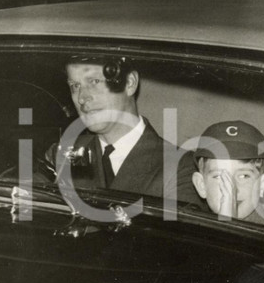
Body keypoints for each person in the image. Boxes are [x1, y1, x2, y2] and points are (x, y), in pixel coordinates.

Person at [51, 55, 198, 205]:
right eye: (75, 86)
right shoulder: (60, 154)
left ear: (129, 83)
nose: (82, 98)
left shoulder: (180, 167)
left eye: (94, 81)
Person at [191, 120, 264, 222]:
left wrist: (228, 223)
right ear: (201, 185)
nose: (232, 188)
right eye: (219, 177)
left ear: (263, 185)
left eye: (244, 176)